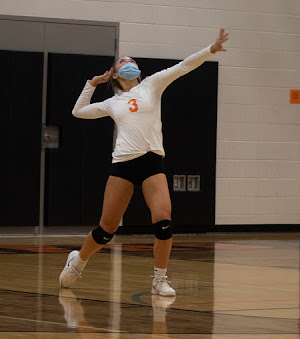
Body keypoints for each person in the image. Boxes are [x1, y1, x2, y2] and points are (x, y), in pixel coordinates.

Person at [59, 28, 229, 296]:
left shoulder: (152, 84)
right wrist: (92, 84)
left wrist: (211, 49)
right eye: (122, 62)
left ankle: (159, 280)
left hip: (152, 163)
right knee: (106, 230)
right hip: (123, 165)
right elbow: (78, 111)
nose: (129, 64)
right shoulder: (112, 103)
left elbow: (184, 66)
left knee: (163, 222)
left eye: (132, 61)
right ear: (114, 74)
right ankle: (77, 262)